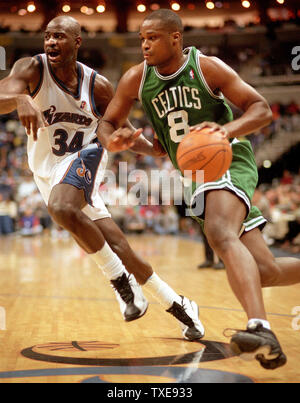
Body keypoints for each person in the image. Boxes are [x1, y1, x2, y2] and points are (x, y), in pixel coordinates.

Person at [98, 9, 300, 369]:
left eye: (153, 37)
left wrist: (227, 131)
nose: (145, 45)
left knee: (220, 233)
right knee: (265, 270)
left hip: (229, 159)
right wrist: (120, 141)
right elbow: (115, 126)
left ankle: (260, 327)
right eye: (142, 38)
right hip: (194, 174)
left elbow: (262, 109)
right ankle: (263, 326)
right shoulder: (135, 79)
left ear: (176, 38)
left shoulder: (206, 68)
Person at [0, 16, 205, 341]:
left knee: (62, 208)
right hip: (46, 169)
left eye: (59, 37)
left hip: (87, 156)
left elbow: (116, 129)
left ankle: (119, 282)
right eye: (48, 37)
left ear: (77, 42)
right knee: (117, 243)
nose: (51, 42)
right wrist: (22, 99)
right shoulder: (31, 69)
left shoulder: (97, 86)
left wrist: (154, 150)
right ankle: (179, 305)